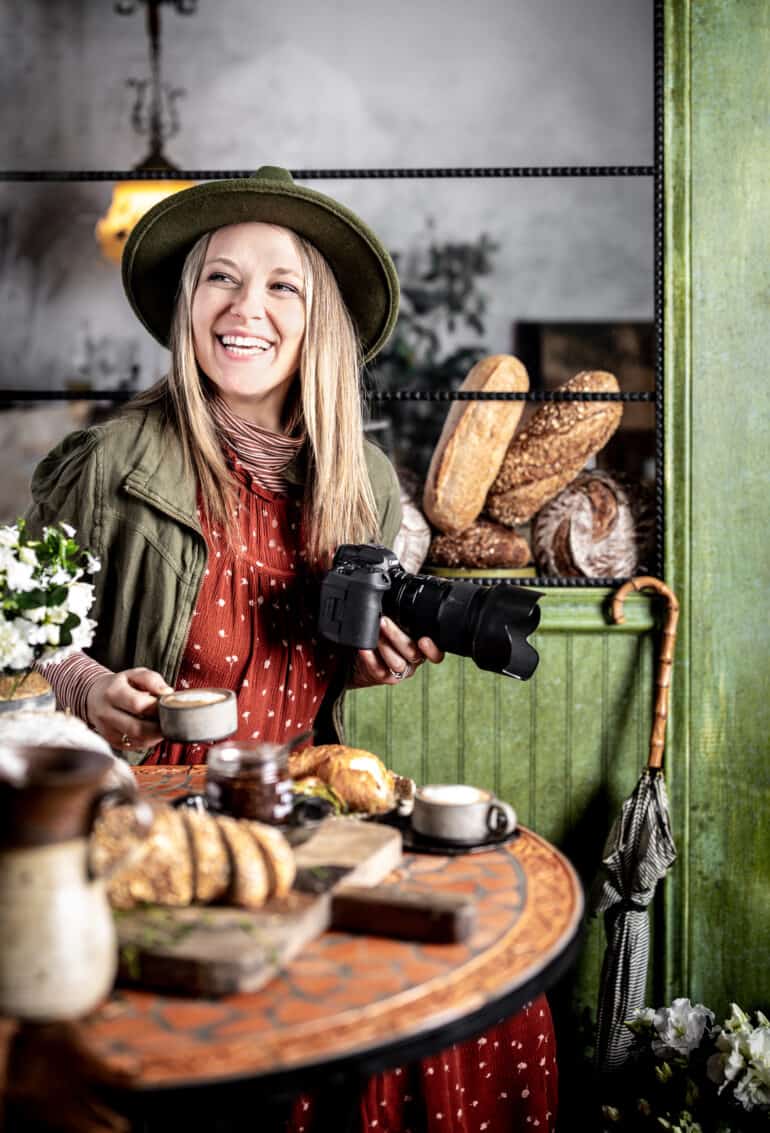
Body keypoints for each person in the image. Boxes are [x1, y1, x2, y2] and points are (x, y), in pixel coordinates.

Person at [27, 166, 558, 1130]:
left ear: (321, 324)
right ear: (189, 305)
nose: (246, 309)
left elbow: (320, 677)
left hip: (302, 798)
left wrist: (364, 660)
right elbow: (16, 635)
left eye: (283, 286)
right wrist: (84, 684)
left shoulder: (370, 489)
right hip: (149, 815)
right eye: (219, 279)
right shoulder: (109, 464)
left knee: (482, 1007)